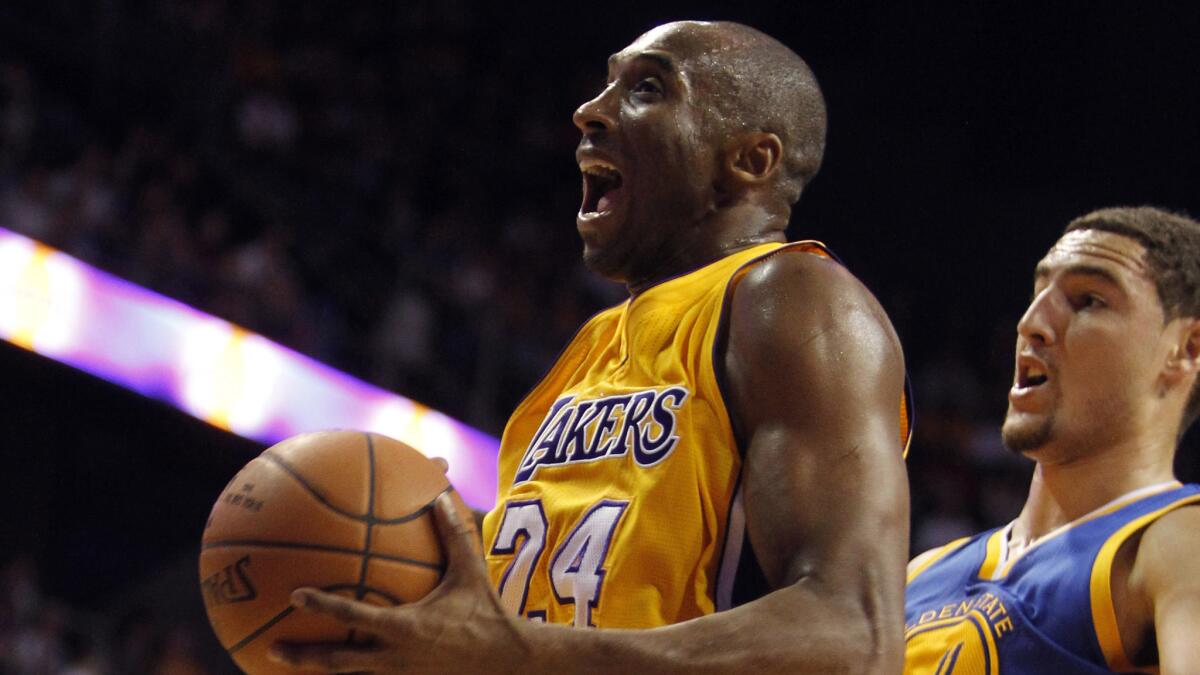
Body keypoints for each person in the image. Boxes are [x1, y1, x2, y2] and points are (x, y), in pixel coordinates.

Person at [271, 20, 911, 673]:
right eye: (606, 84)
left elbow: (854, 635)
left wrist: (516, 653)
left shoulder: (793, 299)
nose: (589, 110)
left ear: (749, 161)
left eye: (648, 89)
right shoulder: (588, 350)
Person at [905, 207, 1200, 673]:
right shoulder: (921, 573)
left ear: (1185, 350)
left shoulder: (1178, 539)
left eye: (1088, 301)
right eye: (1037, 294)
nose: (1030, 324)